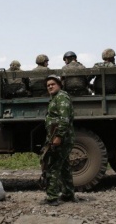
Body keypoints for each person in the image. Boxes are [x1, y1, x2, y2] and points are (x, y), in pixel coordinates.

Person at [41, 74, 75, 206]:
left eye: (52, 84)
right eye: (48, 85)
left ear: (59, 85)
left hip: (62, 139)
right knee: (64, 166)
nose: (50, 86)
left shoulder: (61, 97)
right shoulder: (55, 98)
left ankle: (52, 197)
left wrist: (58, 137)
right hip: (59, 137)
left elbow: (64, 119)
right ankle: (68, 193)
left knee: (53, 166)